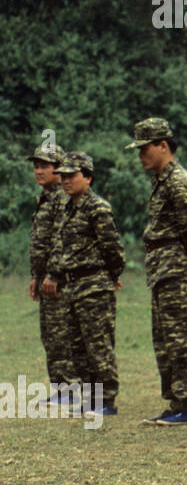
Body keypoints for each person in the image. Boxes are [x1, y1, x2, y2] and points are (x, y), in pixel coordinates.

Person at [127, 118, 187, 426]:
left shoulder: (178, 181)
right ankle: (176, 401)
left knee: (180, 336)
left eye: (145, 148)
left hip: (177, 269)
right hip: (162, 269)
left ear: (163, 145)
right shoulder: (162, 180)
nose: (140, 155)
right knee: (165, 338)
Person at [44, 152, 124, 418]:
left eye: (72, 176)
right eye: (63, 176)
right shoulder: (68, 208)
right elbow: (61, 246)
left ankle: (106, 400)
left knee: (97, 345)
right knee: (78, 347)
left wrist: (111, 276)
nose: (66, 181)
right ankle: (90, 399)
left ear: (88, 178)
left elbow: (113, 248)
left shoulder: (97, 208)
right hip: (73, 286)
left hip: (94, 285)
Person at [29, 143, 75, 398]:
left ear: (59, 170)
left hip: (59, 279)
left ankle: (70, 387)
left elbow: (62, 238)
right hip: (45, 277)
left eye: (44, 166)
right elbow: (40, 243)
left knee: (61, 333)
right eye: (36, 166)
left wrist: (54, 274)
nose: (38, 171)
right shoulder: (45, 198)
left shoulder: (62, 197)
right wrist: (36, 276)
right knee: (50, 334)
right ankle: (61, 387)